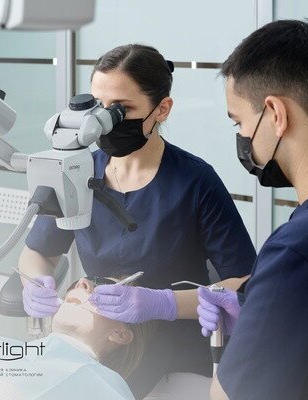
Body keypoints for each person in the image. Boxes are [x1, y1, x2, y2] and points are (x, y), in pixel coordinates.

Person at [20, 44, 256, 398]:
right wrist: (35, 282)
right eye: (98, 107)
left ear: (162, 109)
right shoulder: (77, 170)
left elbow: (245, 284)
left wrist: (163, 303)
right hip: (101, 342)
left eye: (122, 109)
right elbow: (37, 252)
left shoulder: (195, 181)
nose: (105, 122)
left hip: (176, 349)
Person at [197, 20, 308, 400]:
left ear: (275, 113)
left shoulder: (298, 250)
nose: (242, 137)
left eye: (239, 121)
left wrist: (255, 327)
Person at [0, 277, 154, 400]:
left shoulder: (109, 390)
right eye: (82, 282)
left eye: (105, 288)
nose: (82, 282)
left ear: (119, 334)